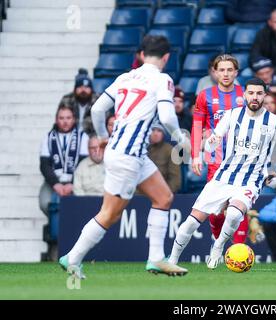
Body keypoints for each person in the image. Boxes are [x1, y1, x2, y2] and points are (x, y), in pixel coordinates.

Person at [59, 35, 189, 278]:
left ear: (141, 55)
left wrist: (101, 135)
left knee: (163, 198)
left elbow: (97, 109)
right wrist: (181, 139)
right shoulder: (163, 79)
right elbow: (168, 117)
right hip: (128, 156)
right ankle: (72, 258)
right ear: (166, 57)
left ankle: (156, 259)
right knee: (110, 214)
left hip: (132, 153)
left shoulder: (125, 77)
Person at [168, 78, 276, 269]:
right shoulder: (232, 115)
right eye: (251, 93)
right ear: (244, 94)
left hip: (251, 180)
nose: (254, 97)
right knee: (190, 223)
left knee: (232, 214)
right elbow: (214, 140)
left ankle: (218, 246)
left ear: (265, 95)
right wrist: (209, 143)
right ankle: (172, 261)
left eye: (259, 93)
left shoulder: (275, 123)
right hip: (223, 176)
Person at [191, 54, 249, 245]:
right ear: (215, 72)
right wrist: (195, 155)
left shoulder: (246, 94)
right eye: (221, 70)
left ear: (236, 72)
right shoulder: (205, 95)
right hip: (216, 159)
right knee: (216, 212)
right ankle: (218, 245)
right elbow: (197, 125)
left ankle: (240, 250)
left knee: (239, 205)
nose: (225, 74)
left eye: (230, 70)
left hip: (242, 158)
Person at [39, 104, 89, 216]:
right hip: (53, 181)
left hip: (77, 181)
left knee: (81, 205)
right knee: (44, 203)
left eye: (68, 118)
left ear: (74, 119)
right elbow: (44, 165)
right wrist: (56, 184)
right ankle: (54, 224)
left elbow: (83, 163)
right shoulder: (48, 137)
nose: (65, 121)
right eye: (61, 118)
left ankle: (72, 226)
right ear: (56, 120)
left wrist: (72, 184)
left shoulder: (83, 137)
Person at [60, 69, 99, 135]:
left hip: (92, 139)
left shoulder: (98, 101)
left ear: (91, 89)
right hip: (70, 138)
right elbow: (59, 120)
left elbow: (105, 123)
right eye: (80, 87)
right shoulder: (67, 99)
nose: (83, 90)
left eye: (86, 87)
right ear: (75, 89)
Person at [148, 123, 182, 193]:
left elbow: (175, 179)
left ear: (163, 134)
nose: (155, 133)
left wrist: (165, 193)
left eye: (159, 131)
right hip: (140, 193)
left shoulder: (171, 151)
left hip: (161, 192)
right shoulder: (141, 149)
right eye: (153, 130)